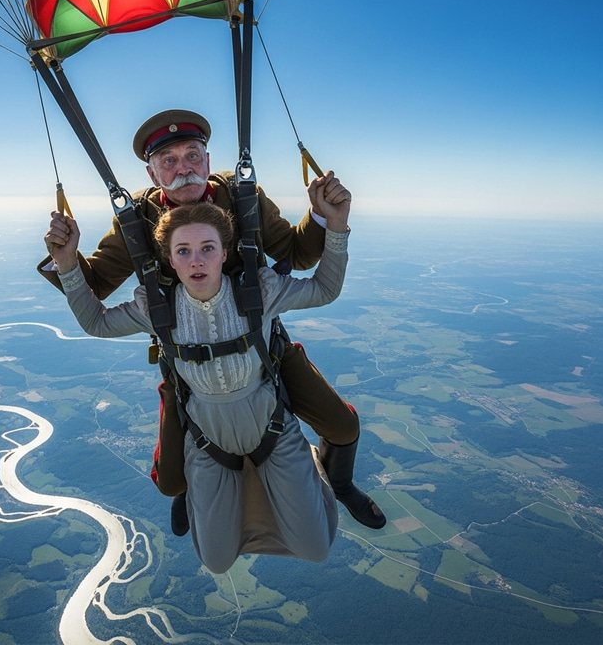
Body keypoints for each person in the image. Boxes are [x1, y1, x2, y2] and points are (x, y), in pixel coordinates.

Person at [41, 110, 385, 534]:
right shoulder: (136, 220)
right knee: (170, 480)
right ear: (151, 172)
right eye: (168, 160)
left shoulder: (242, 197)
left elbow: (294, 253)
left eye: (191, 155)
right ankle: (191, 485)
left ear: (207, 159)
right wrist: (66, 258)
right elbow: (95, 286)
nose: (183, 168)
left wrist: (323, 217)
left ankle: (342, 484)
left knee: (343, 424)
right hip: (186, 360)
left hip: (260, 346)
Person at [52, 188, 351, 573]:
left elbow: (325, 289)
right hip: (207, 439)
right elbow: (96, 322)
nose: (196, 261)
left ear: (225, 254)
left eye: (208, 248)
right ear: (170, 262)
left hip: (271, 426)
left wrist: (337, 225)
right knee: (217, 561)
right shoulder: (156, 307)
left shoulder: (260, 289)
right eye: (183, 252)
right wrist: (67, 264)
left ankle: (310, 469)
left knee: (316, 548)